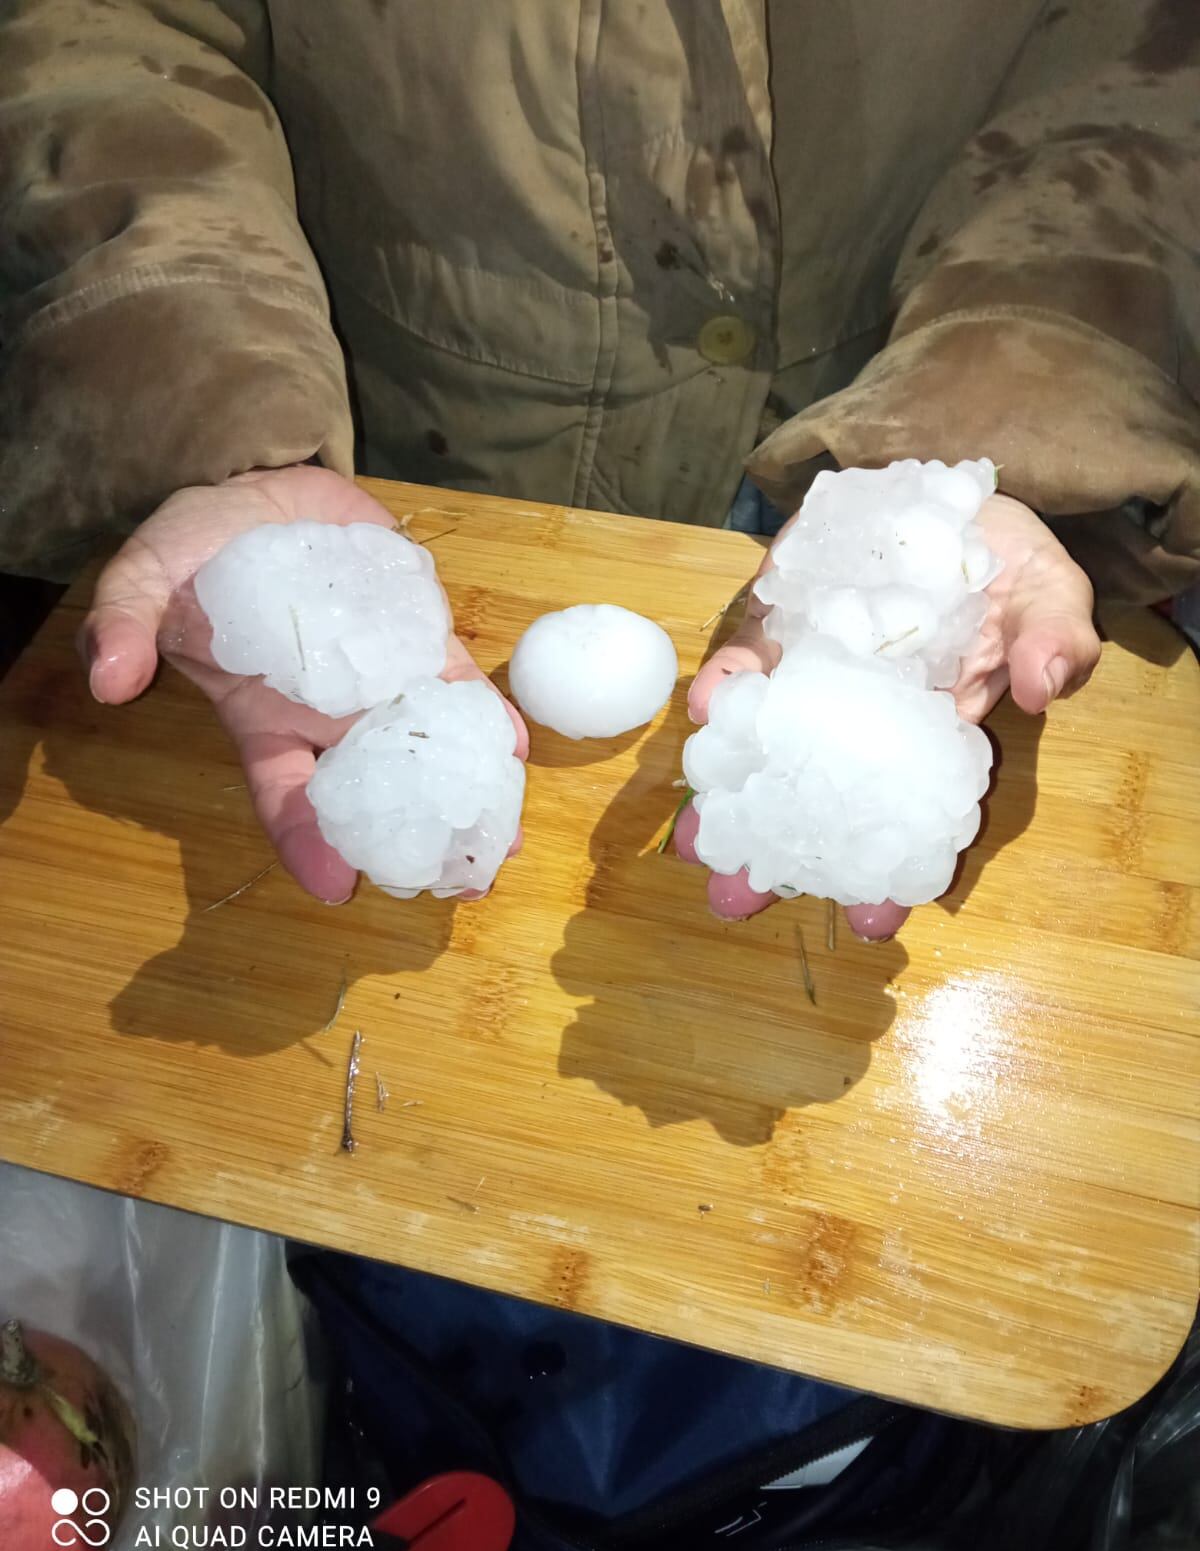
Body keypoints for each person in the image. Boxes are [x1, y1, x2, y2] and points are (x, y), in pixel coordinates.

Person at [1, 0, 1196, 936]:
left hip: (880, 392)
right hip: (404, 436)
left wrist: (1011, 424)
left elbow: (1143, 73)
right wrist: (195, 391)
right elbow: (97, 36)